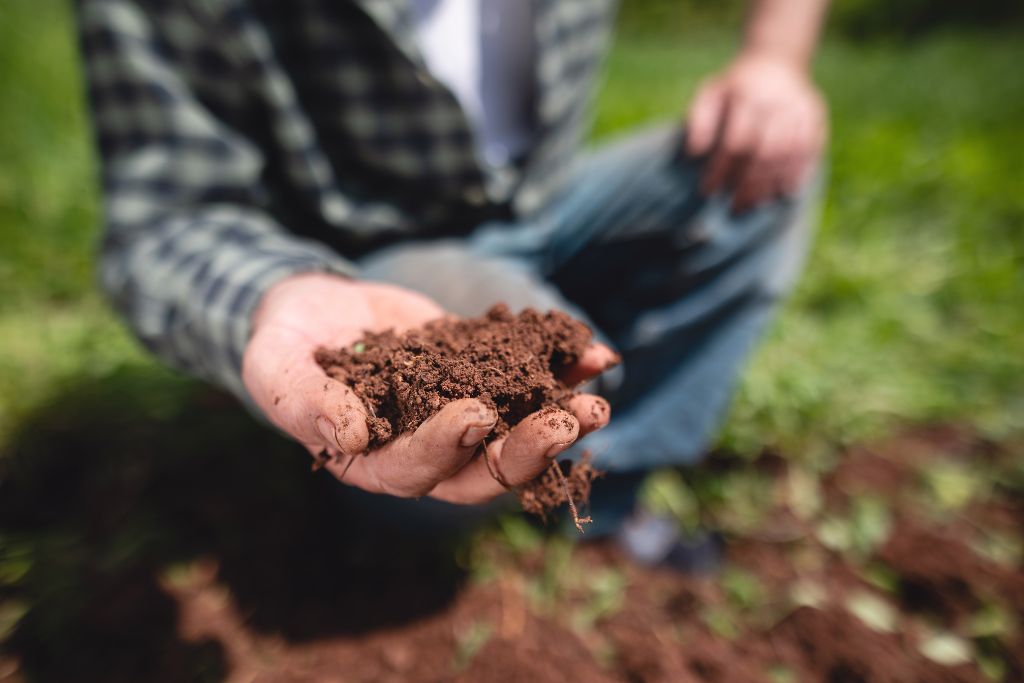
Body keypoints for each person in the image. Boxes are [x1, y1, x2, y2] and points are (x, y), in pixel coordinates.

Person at [78, 0, 828, 562]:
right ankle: (375, 526)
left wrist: (774, 58)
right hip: (363, 256)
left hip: (545, 195)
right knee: (497, 407)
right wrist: (276, 291)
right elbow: (165, 219)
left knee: (765, 173)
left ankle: (605, 494)